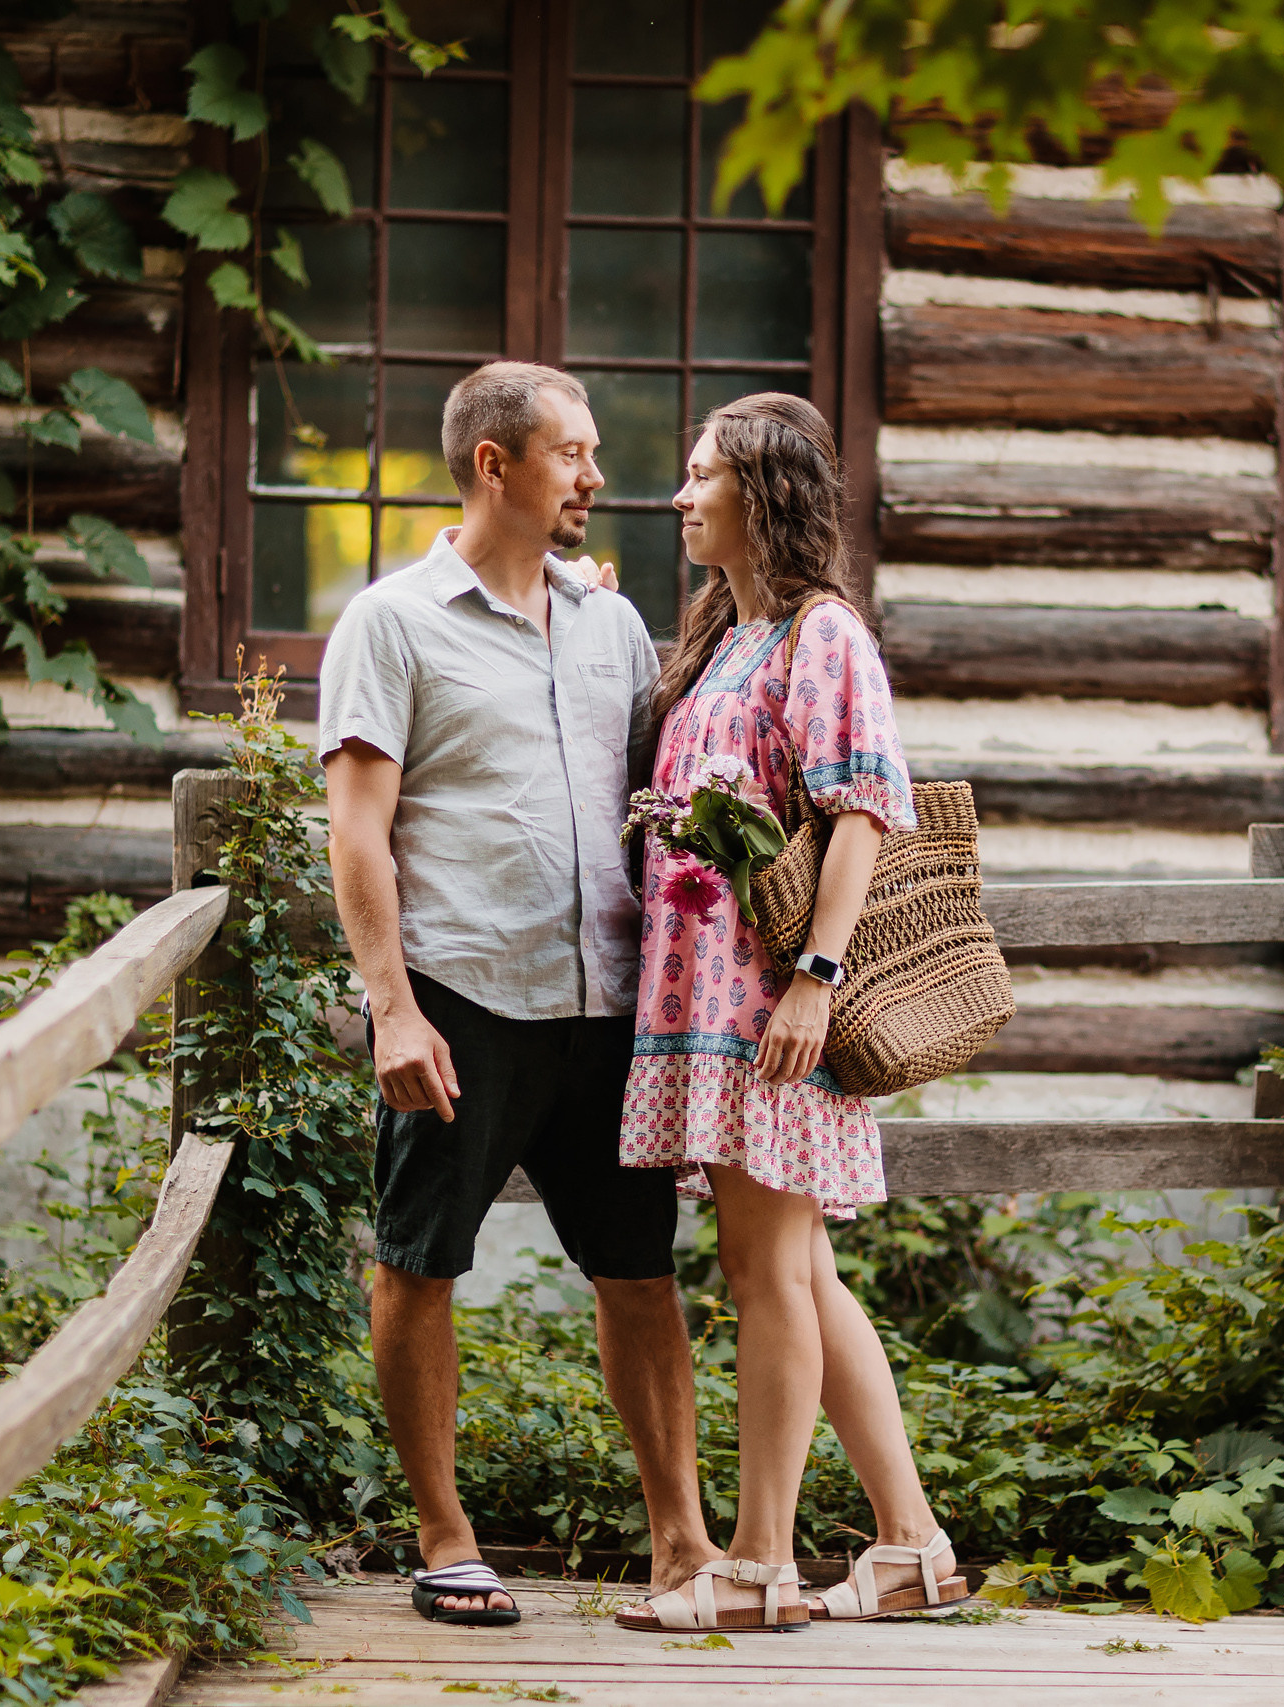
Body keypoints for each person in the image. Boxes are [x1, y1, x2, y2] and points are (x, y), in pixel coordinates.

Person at [318, 362, 718, 1627]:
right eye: (573, 454)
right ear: (495, 464)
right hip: (465, 995)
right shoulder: (390, 623)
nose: (597, 478)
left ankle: (683, 1545)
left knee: (640, 1272)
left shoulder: (612, 625)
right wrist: (392, 1006)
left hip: (609, 1007)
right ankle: (445, 1538)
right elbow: (358, 834)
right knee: (420, 1262)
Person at [611, 394, 970, 1635]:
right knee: (802, 1271)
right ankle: (911, 1544)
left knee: (768, 1271)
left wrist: (816, 978)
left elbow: (862, 809)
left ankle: (760, 1563)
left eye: (699, 474)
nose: (677, 495)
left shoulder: (823, 637)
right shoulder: (725, 637)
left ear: (758, 490)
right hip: (709, 1000)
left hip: (772, 1004)